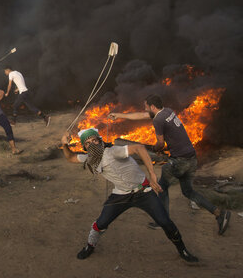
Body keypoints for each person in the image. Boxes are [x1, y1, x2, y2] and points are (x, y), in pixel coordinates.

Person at [60, 128, 199, 262]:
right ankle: (89, 246)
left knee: (165, 222)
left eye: (94, 140)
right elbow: (70, 157)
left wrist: (152, 174)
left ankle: (183, 250)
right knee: (101, 223)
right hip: (121, 195)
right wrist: (64, 143)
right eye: (87, 143)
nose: (91, 144)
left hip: (143, 191)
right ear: (85, 147)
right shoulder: (90, 159)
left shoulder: (113, 151)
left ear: (100, 140)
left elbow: (139, 148)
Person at [109, 94, 231, 235]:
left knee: (162, 187)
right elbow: (141, 115)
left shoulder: (158, 120)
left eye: (146, 106)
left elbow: (160, 143)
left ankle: (163, 220)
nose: (145, 108)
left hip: (179, 161)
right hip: (191, 158)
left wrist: (154, 149)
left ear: (152, 107)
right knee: (188, 192)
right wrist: (118, 115)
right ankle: (219, 213)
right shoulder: (167, 111)